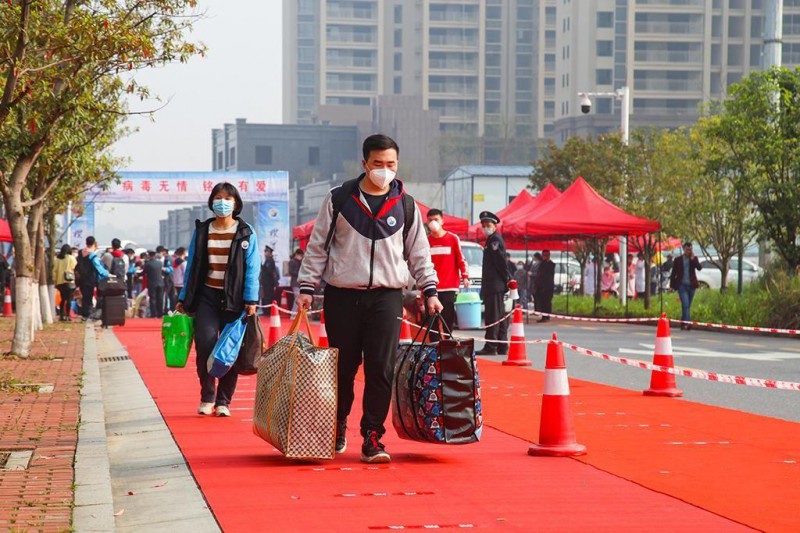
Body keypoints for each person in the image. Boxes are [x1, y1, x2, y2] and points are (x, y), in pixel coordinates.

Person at [296, 134, 441, 464]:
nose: (384, 170)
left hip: (387, 297)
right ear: (364, 163)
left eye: (391, 164)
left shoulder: (405, 204)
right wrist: (307, 287)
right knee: (343, 369)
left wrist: (429, 290)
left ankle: (373, 435)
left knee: (381, 369)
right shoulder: (339, 199)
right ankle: (337, 424)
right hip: (342, 297)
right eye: (378, 164)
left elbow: (419, 252)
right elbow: (317, 247)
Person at [176, 182, 259, 417]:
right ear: (212, 202)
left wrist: (251, 299)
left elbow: (253, 268)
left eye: (228, 198)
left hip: (235, 299)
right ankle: (207, 396)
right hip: (207, 297)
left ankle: (223, 401)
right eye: (218, 197)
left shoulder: (246, 232)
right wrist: (184, 297)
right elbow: (192, 265)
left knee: (228, 349)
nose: (222, 202)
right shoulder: (203, 231)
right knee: (205, 343)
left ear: (236, 203)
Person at [426, 208, 469, 339]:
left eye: (436, 219)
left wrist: (465, 277)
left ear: (442, 221)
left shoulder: (452, 238)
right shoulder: (426, 241)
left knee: (448, 317)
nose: (433, 222)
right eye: (430, 220)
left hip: (449, 286)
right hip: (431, 287)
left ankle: (447, 343)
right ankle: (434, 346)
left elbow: (461, 259)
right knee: (431, 318)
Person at [475, 211, 512, 356]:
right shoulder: (491, 240)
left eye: (488, 225)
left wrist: (506, 279)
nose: (485, 227)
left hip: (495, 285)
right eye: (483, 225)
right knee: (500, 316)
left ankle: (491, 345)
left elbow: (500, 263)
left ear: (495, 225)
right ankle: (502, 345)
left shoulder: (495, 240)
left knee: (493, 316)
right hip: (494, 285)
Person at [669, 242, 702, 330]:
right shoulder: (678, 260)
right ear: (684, 249)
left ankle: (683, 323)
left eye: (690, 249)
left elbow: (699, 268)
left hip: (692, 286)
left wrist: (693, 259)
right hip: (682, 285)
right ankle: (688, 323)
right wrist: (672, 286)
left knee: (687, 306)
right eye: (687, 249)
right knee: (685, 304)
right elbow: (673, 273)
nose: (689, 251)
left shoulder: (693, 259)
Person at [75, 236, 110, 319]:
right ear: (94, 243)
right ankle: (87, 314)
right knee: (89, 296)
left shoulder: (81, 253)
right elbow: (98, 268)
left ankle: (84, 314)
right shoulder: (92, 255)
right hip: (90, 279)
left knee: (84, 297)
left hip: (81, 279)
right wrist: (107, 274)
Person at [52, 244, 77, 321]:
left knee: (63, 299)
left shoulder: (56, 259)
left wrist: (55, 281)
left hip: (60, 282)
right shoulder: (71, 258)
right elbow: (74, 267)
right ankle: (68, 316)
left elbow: (54, 271)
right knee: (69, 299)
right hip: (69, 281)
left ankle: (61, 315)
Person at [533, 250, 556, 322]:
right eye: (543, 255)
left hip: (548, 286)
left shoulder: (551, 264)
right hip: (541, 286)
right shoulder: (541, 264)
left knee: (547, 302)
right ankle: (543, 316)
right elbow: (539, 274)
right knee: (542, 302)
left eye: (545, 255)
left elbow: (547, 275)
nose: (544, 257)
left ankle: (547, 316)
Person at [143, 251, 165, 319]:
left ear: (149, 255)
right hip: (160, 283)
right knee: (160, 299)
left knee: (153, 299)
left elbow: (144, 272)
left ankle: (153, 314)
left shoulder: (148, 264)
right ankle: (160, 313)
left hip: (152, 283)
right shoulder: (160, 263)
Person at [259, 245, 280, 314]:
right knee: (265, 296)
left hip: (269, 283)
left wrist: (262, 266)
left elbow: (268, 271)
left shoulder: (270, 261)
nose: (265, 253)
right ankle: (266, 311)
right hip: (266, 282)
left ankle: (267, 311)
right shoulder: (267, 260)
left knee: (268, 296)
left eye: (266, 251)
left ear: (270, 252)